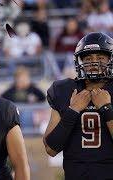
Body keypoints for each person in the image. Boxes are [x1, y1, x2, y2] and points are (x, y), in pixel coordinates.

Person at [43, 32, 113, 179]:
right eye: (88, 58)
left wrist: (107, 109)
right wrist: (73, 110)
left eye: (100, 58)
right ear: (80, 62)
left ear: (110, 60)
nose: (94, 63)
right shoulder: (64, 90)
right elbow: (51, 149)